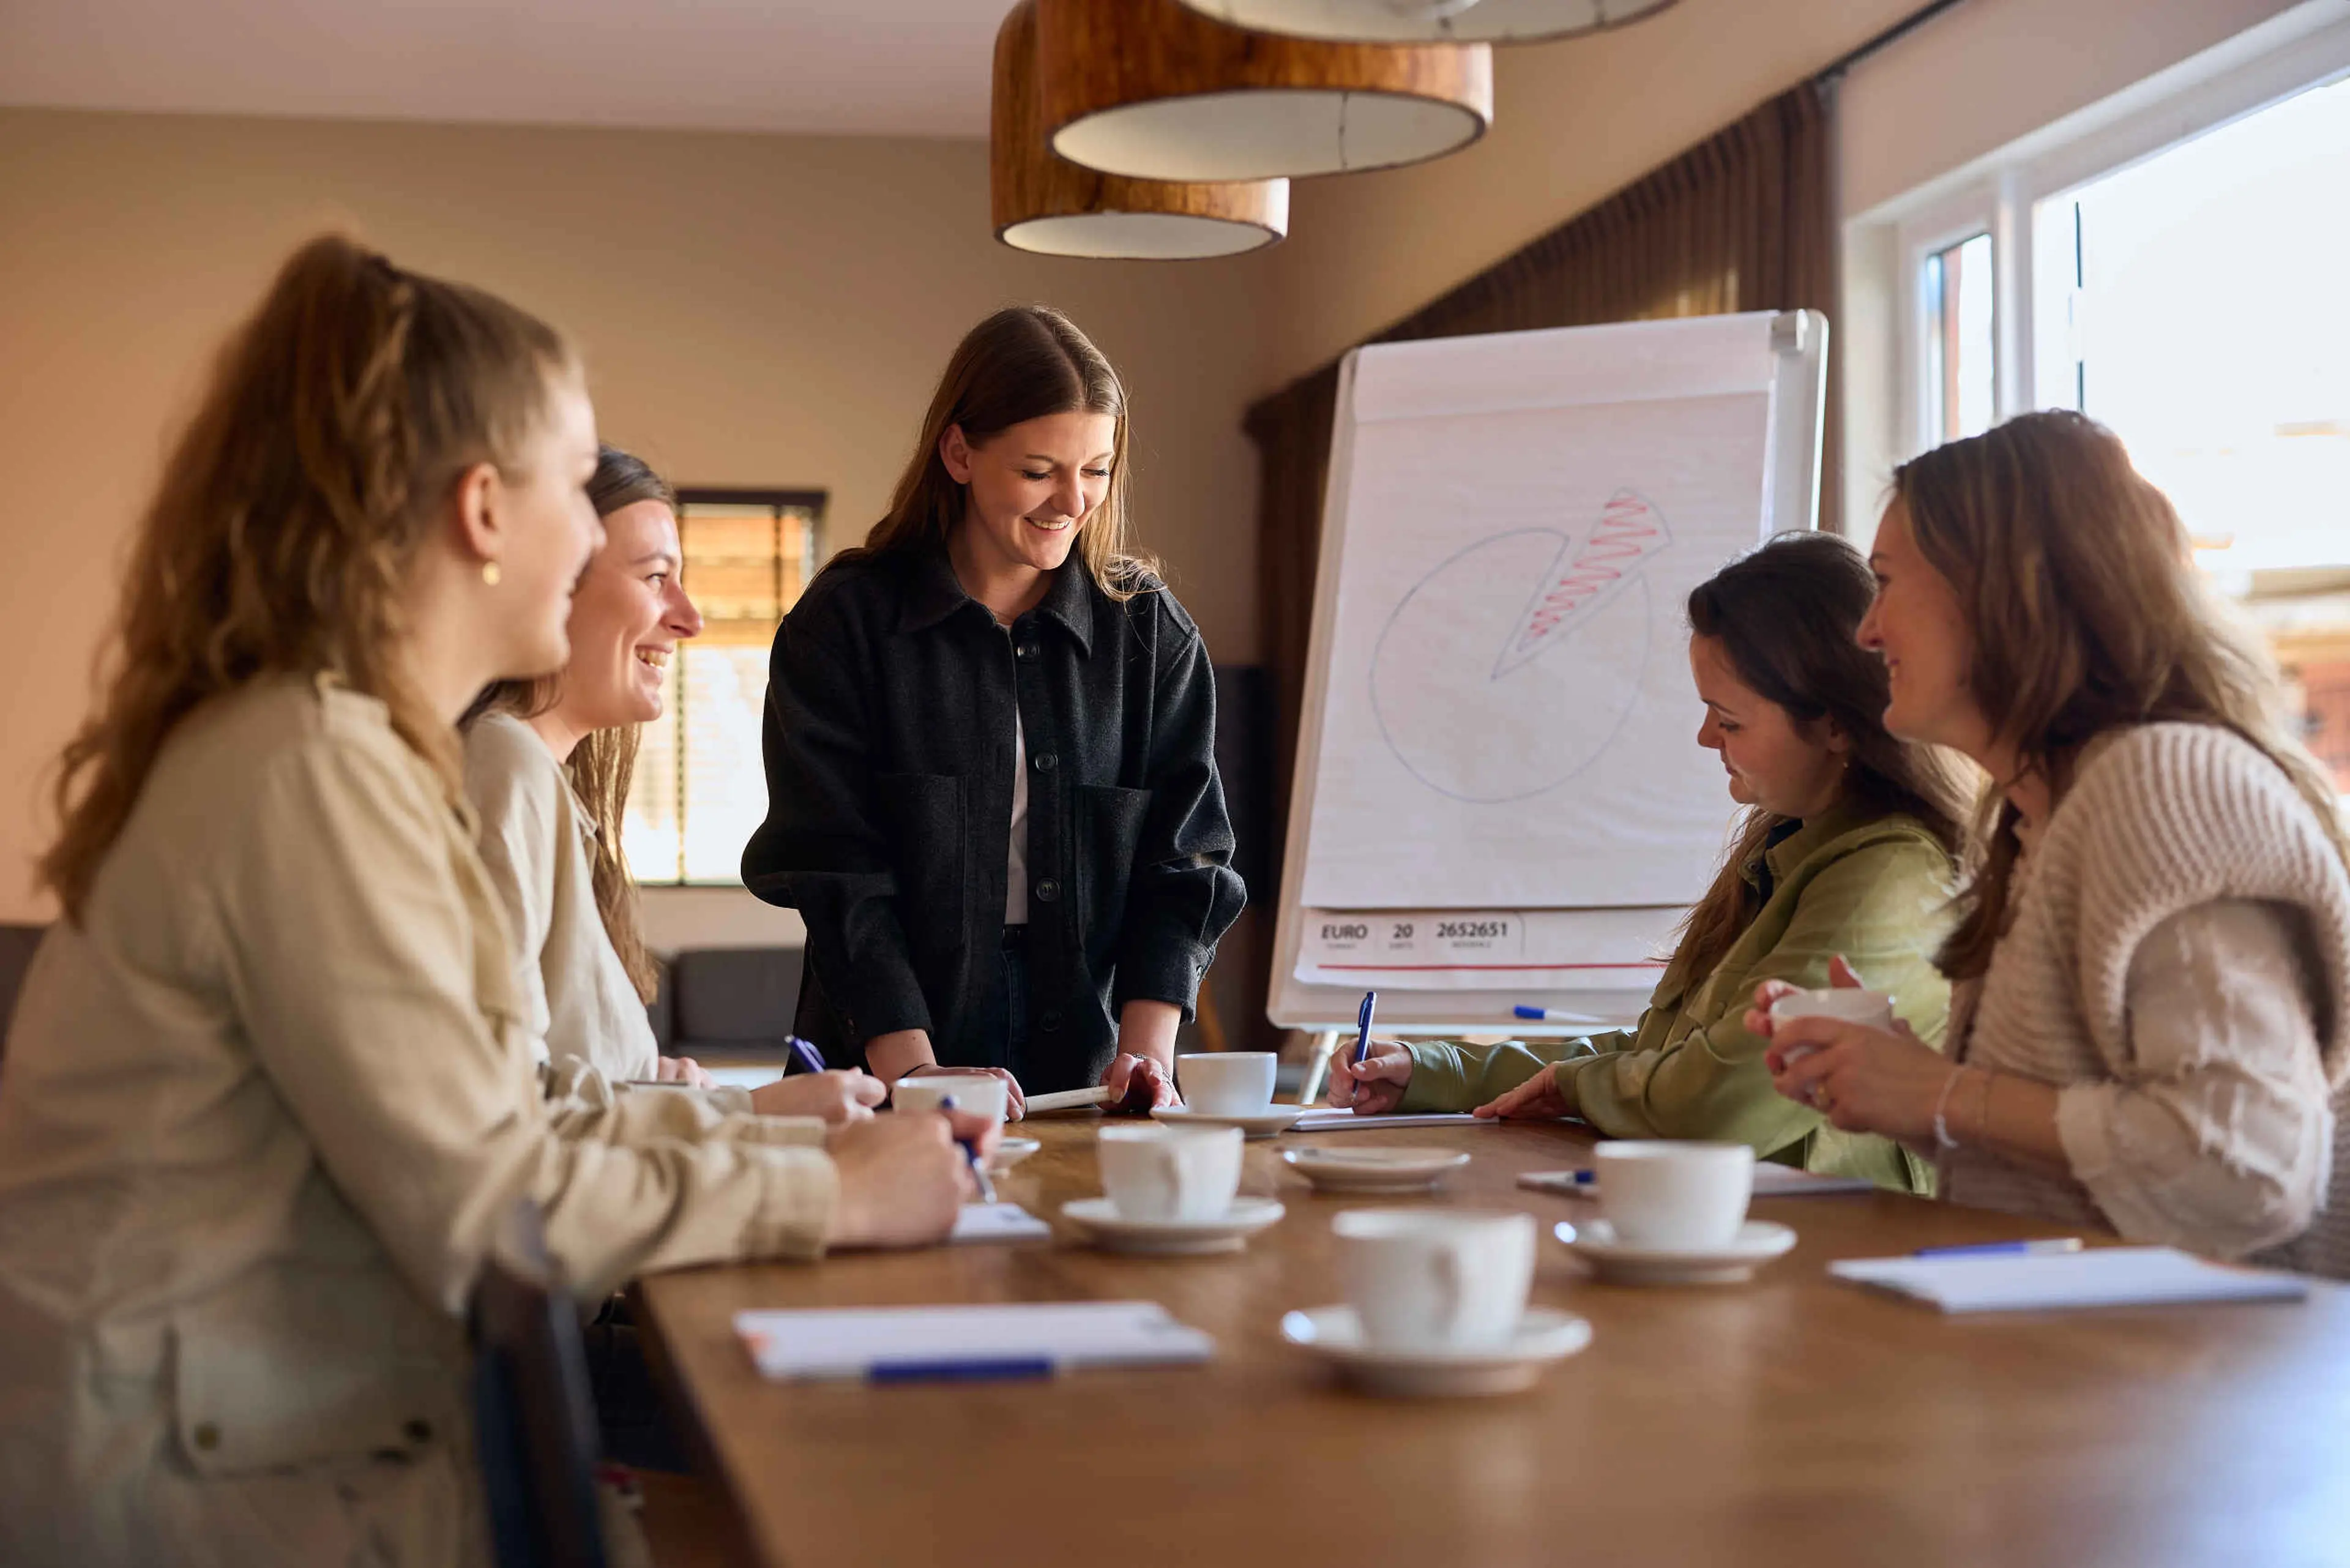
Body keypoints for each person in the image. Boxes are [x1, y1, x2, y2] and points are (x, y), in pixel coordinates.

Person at [0, 236, 988, 1567]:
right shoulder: (308, 767)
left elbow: (506, 1106)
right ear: (481, 510)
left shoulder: (343, 753)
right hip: (188, 1495)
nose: (590, 537)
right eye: (578, 494)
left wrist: (797, 1153)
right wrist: (828, 1196)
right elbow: (487, 1206)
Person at [1755, 411, 2350, 1275]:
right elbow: (2079, 1145)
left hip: (2199, 1392)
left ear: (2000, 590)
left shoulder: (2164, 783)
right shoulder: (2042, 814)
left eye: (1886, 583)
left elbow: (2244, 1167)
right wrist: (1896, 1080)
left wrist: (1944, 1093)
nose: (1866, 630)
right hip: (2080, 1369)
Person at [1329, 532, 1971, 1191]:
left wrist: (1578, 1085)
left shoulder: (1882, 881)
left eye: (1729, 719)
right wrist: (1434, 1070)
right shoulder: (1787, 850)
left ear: (1836, 724)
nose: (1705, 738)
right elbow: (1657, 1061)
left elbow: (1712, 1104)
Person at [744, 306, 1245, 1114]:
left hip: (1087, 1061)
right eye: (1040, 470)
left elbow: (1184, 864)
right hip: (887, 1051)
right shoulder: (845, 626)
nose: (1072, 501)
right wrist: (914, 1077)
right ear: (959, 453)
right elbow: (835, 870)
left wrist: (1146, 1054)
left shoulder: (1150, 634)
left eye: (1097, 470)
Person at [464, 444, 884, 1124]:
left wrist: (658, 1083)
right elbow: (501, 1104)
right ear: (553, 581)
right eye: (657, 576)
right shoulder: (504, 769)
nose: (690, 618)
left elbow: (560, 1068)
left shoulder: (541, 782)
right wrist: (751, 1113)